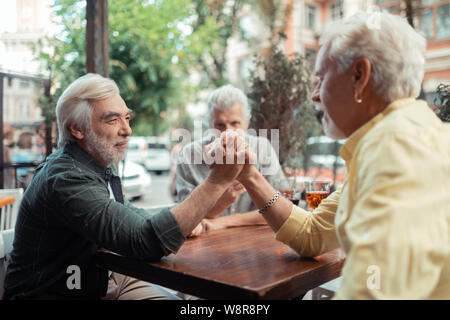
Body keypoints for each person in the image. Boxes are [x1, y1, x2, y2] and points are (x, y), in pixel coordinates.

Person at [230, 11, 450, 299]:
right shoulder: (406, 137)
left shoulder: (394, 149)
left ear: (360, 76)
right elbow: (312, 233)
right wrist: (250, 175)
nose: (314, 95)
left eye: (321, 78)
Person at [3, 73, 249, 300]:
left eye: (127, 118)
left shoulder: (98, 164)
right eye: (113, 120)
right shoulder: (66, 178)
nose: (127, 130)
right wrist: (216, 181)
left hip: (103, 277)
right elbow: (146, 241)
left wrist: (198, 212)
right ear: (76, 129)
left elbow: (137, 220)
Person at [176, 85, 285, 236]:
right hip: (206, 248)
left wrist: (221, 222)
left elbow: (282, 209)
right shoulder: (189, 155)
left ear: (246, 123)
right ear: (210, 124)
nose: (227, 132)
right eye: (220, 125)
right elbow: (184, 221)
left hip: (256, 242)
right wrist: (222, 202)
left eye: (235, 123)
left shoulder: (262, 148)